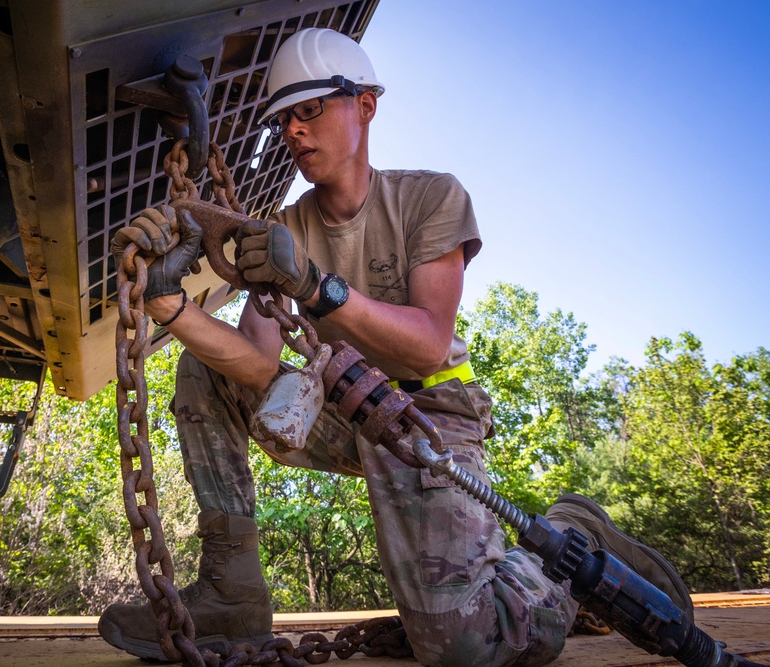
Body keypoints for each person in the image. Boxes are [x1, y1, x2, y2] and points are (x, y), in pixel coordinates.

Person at [99, 28, 693, 667]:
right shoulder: (286, 226)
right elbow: (257, 365)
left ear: (365, 105)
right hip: (345, 411)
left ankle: (572, 531)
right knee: (203, 370)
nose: (294, 131)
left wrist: (314, 284)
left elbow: (427, 346)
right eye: (284, 121)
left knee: (467, 648)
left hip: (431, 415)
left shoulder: (430, 197)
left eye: (310, 109)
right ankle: (231, 588)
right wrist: (171, 305)